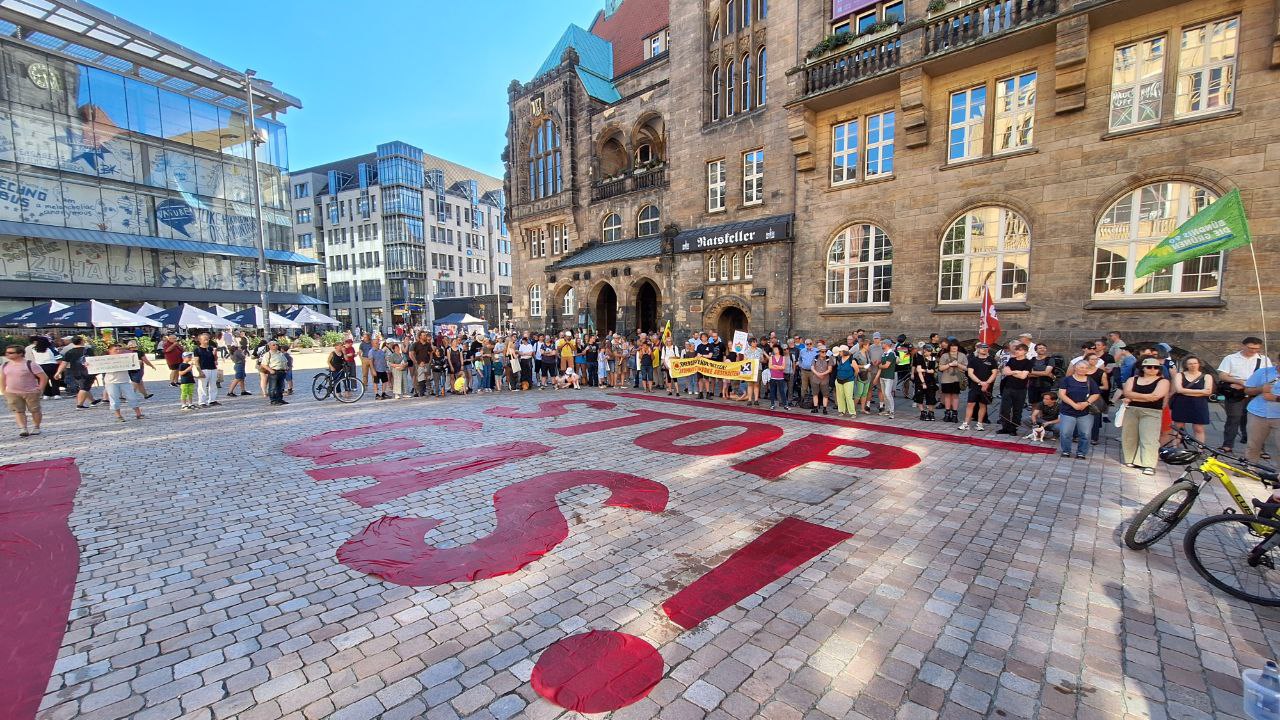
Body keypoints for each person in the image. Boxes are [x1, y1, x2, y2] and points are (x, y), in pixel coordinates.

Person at [1217, 337, 1271, 454]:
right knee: (1234, 417)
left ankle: (1258, 447)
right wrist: (1239, 382)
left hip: (1255, 392)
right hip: (1236, 392)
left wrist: (1251, 386)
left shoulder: (1263, 359)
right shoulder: (1231, 358)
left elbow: (1268, 377)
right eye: (1251, 348)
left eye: (1256, 349)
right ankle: (1227, 444)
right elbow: (1223, 375)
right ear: (1243, 346)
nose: (1253, 351)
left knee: (1256, 420)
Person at [1121, 358, 1171, 475]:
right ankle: (1131, 459)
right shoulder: (1133, 379)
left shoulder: (1163, 381)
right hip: (1132, 410)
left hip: (1152, 411)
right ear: (1142, 368)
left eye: (1156, 367)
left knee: (1149, 438)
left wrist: (1134, 397)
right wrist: (1145, 397)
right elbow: (1127, 393)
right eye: (1149, 367)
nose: (1153, 369)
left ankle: (1149, 464)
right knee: (1129, 436)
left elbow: (1155, 396)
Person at [1057, 361, 1101, 458]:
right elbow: (1062, 394)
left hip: (1085, 411)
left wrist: (1086, 403)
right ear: (1075, 368)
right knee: (1065, 432)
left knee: (1085, 434)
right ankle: (1066, 450)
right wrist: (1074, 405)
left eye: (1085, 367)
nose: (1083, 369)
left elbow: (1096, 394)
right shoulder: (1066, 380)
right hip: (1068, 410)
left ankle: (1081, 452)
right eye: (1081, 367)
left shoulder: (1090, 381)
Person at [2, 344, 47, 437]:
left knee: (35, 410)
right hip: (12, 392)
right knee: (18, 411)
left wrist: (40, 388)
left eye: (11, 353)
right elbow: (2, 378)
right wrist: (3, 391)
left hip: (31, 392)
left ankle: (36, 427)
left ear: (20, 354)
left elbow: (43, 377)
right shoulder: (5, 365)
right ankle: (23, 428)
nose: (7, 354)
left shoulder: (30, 364)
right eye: (6, 353)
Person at [1244, 352, 1280, 464]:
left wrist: (1276, 398)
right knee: (1253, 444)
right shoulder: (1263, 372)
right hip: (1258, 413)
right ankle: (1249, 467)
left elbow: (1273, 397)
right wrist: (1260, 389)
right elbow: (1247, 390)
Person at [1170, 355, 1214, 444]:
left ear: (1199, 364)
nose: (1193, 365)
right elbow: (1179, 389)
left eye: (1195, 363)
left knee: (1199, 428)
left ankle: (1200, 450)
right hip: (1182, 403)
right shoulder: (1180, 375)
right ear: (1186, 365)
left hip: (1199, 404)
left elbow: (1208, 391)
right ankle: (1175, 448)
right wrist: (1200, 391)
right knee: (1178, 427)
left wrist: (1185, 391)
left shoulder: (1207, 376)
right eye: (1190, 364)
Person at [997, 344, 1034, 435]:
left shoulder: (1028, 362)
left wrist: (1011, 372)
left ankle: (1013, 428)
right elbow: (1005, 372)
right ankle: (1005, 427)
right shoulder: (1012, 360)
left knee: (1017, 409)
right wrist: (1016, 371)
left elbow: (1023, 376)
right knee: (1005, 409)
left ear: (1025, 351)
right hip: (1008, 387)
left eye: (1020, 350)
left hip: (1020, 389)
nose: (1017, 351)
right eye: (1017, 350)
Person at [102, 344, 144, 422]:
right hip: (111, 382)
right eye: (116, 350)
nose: (118, 351)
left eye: (119, 349)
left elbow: (134, 366)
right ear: (110, 351)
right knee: (114, 399)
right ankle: (119, 416)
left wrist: (138, 363)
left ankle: (139, 414)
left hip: (124, 380)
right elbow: (96, 367)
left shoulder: (125, 358)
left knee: (132, 397)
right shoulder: (105, 360)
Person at [960, 342, 997, 431]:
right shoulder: (973, 360)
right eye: (982, 348)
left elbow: (994, 373)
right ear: (978, 349)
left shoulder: (991, 360)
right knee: (970, 404)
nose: (984, 349)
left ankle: (980, 423)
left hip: (987, 386)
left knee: (983, 405)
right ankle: (966, 423)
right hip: (975, 386)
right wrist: (980, 382)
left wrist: (987, 383)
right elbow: (970, 373)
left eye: (986, 348)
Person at [55, 335, 99, 408]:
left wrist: (58, 372)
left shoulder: (69, 352)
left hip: (75, 371)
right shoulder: (88, 350)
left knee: (84, 386)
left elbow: (64, 363)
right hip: (87, 371)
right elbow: (94, 360)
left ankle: (93, 401)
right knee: (84, 388)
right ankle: (79, 405)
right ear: (82, 341)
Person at [938, 343, 967, 423]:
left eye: (956, 346)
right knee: (947, 396)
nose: (954, 348)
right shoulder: (944, 356)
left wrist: (958, 364)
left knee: (955, 396)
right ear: (949, 347)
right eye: (952, 346)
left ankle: (954, 413)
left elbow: (966, 368)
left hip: (957, 379)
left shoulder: (962, 355)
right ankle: (947, 413)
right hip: (946, 378)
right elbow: (940, 368)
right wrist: (949, 364)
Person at [193, 333, 220, 407]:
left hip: (212, 368)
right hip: (204, 369)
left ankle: (212, 400)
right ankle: (202, 402)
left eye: (207, 339)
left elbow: (214, 359)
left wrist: (215, 354)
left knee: (213, 385)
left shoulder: (210, 348)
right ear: (200, 340)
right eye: (205, 339)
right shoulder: (197, 350)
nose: (207, 340)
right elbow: (196, 361)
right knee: (202, 386)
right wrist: (199, 371)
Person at [914, 345, 939, 421]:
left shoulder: (932, 359)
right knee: (919, 396)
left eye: (930, 351)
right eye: (927, 351)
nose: (929, 353)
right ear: (924, 351)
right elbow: (919, 371)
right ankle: (922, 412)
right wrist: (923, 382)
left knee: (931, 396)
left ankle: (931, 412)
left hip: (930, 379)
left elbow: (933, 370)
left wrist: (925, 370)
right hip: (921, 379)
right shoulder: (919, 358)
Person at [833, 345, 858, 417]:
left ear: (844, 351)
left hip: (849, 380)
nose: (839, 352)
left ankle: (852, 412)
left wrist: (852, 377)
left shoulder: (851, 360)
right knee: (840, 396)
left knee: (848, 396)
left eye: (840, 351)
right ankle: (842, 411)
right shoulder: (840, 358)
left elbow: (857, 370)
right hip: (839, 380)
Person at [263, 340, 288, 405]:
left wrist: (286, 368)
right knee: (273, 387)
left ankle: (280, 399)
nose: (276, 346)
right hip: (274, 372)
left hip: (281, 372)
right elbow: (263, 364)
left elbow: (285, 361)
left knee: (280, 387)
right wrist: (270, 370)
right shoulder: (268, 354)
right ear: (270, 346)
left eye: (276, 344)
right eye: (273, 345)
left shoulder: (280, 353)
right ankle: (273, 400)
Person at [810, 343, 832, 415]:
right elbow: (812, 367)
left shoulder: (829, 358)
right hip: (815, 379)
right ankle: (815, 407)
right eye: (823, 352)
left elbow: (830, 369)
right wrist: (818, 374)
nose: (824, 353)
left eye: (825, 351)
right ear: (819, 352)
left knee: (825, 395)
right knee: (815, 394)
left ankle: (824, 409)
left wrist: (822, 374)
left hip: (825, 380)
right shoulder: (815, 358)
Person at [877, 340, 896, 419]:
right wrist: (880, 364)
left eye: (883, 343)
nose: (881, 344)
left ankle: (892, 411)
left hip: (888, 376)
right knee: (885, 394)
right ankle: (887, 410)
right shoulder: (884, 354)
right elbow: (882, 364)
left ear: (887, 345)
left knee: (888, 394)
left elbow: (886, 366)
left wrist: (879, 365)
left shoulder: (891, 354)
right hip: (883, 376)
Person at [767, 344, 788, 410]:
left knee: (782, 391)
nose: (775, 350)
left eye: (776, 349)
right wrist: (779, 367)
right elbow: (770, 366)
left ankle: (785, 404)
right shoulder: (771, 357)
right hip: (773, 377)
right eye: (774, 349)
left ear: (779, 350)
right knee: (772, 391)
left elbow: (783, 367)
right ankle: (772, 404)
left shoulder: (783, 357)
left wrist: (775, 366)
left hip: (780, 377)